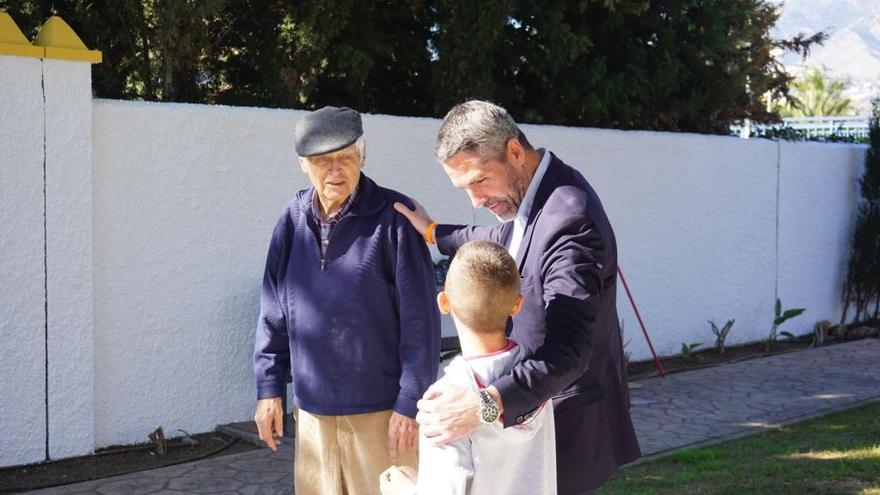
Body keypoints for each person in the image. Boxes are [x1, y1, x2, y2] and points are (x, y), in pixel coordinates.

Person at [394, 100, 640, 494]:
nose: (475, 199)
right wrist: (433, 231)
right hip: (533, 425)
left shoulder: (571, 220)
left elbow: (568, 352)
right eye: (464, 188)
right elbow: (503, 238)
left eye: (478, 181)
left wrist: (481, 406)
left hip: (564, 430)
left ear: (513, 151)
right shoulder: (535, 196)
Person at [253, 106, 441, 495]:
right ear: (303, 164)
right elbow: (273, 310)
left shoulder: (395, 220)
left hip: (383, 416)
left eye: (345, 157)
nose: (335, 170)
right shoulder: (290, 220)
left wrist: (409, 403)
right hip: (312, 415)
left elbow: (421, 323)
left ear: (363, 155)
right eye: (323, 161)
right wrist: (269, 387)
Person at [380, 240, 557, 495]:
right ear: (517, 304)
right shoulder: (537, 379)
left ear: (443, 303)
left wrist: (402, 488)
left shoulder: (444, 402)